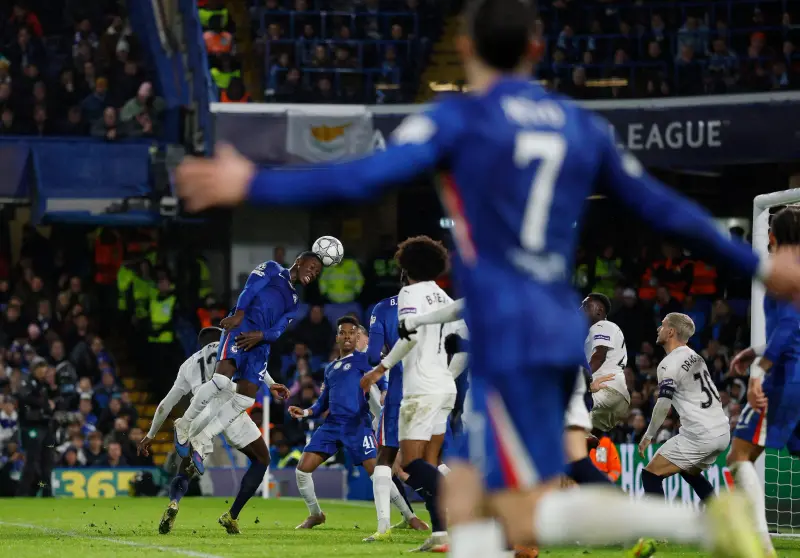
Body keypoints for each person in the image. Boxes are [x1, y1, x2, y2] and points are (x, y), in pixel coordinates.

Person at [173, 0, 800, 555]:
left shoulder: (459, 119)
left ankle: (702, 527)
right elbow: (664, 207)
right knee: (494, 495)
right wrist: (759, 267)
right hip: (559, 327)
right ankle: (687, 526)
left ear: (466, 47)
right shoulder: (579, 125)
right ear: (536, 48)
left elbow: (360, 176)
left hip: (505, 326)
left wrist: (252, 182)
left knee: (506, 503)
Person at [173, 252, 322, 474]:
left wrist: (261, 336)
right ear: (299, 261)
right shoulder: (272, 269)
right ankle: (183, 425)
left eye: (317, 272)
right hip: (242, 327)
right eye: (311, 266)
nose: (313, 273)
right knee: (221, 382)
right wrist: (239, 314)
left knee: (244, 399)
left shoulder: (294, 302)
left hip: (260, 342)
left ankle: (203, 438)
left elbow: (278, 330)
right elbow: (250, 289)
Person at [138, 327, 289, 535]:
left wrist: (150, 435)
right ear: (222, 338)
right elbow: (255, 365)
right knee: (262, 459)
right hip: (230, 407)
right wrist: (272, 384)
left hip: (200, 412)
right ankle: (232, 515)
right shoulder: (230, 348)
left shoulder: (188, 364)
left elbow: (166, 404)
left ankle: (174, 502)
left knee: (185, 468)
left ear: (200, 345)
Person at [360, 236, 459, 551]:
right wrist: (449, 373)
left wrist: (380, 368)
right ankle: (441, 535)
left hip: (420, 389)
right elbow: (462, 341)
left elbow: (410, 336)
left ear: (405, 268)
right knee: (431, 460)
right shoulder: (443, 296)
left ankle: (473, 504)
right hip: (445, 387)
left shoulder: (409, 294)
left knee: (407, 465)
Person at [726, 206, 800, 558]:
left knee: (739, 455)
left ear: (771, 236)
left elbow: (787, 328)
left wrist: (758, 372)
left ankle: (763, 547)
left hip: (785, 378)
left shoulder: (782, 273)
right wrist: (755, 350)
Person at [289, 316, 403, 529]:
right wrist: (304, 412)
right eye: (343, 333)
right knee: (302, 470)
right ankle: (316, 514)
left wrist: (385, 390)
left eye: (352, 333)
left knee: (378, 473)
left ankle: (408, 515)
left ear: (357, 337)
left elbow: (381, 376)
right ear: (337, 337)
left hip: (357, 425)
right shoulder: (330, 368)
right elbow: (322, 403)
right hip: (332, 426)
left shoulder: (364, 359)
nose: (347, 336)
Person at [638, 313, 729, 510]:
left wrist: (648, 435)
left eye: (662, 325)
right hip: (722, 430)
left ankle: (658, 527)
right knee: (689, 471)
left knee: (650, 474)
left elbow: (663, 403)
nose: (658, 329)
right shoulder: (696, 356)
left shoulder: (668, 364)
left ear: (671, 332)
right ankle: (720, 516)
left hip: (700, 434)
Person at [364, 292, 429, 541]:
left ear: (403, 275)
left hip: (399, 392)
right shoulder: (440, 301)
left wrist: (386, 361)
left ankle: (383, 527)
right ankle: (459, 519)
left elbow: (372, 356)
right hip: (432, 390)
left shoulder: (383, 308)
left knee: (385, 456)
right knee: (435, 457)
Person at [581, 293, 631, 433]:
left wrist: (582, 380)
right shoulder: (592, 333)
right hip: (614, 396)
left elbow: (599, 356)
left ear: (599, 310)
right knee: (583, 436)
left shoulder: (602, 325)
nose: (581, 309)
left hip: (607, 390)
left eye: (586, 306)